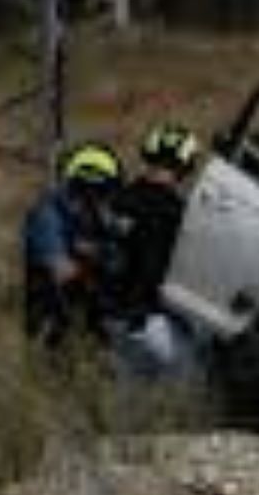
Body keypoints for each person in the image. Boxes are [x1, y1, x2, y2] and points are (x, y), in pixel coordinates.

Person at [105, 122, 203, 379]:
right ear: (186, 166)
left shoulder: (117, 199)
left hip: (110, 323)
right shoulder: (175, 212)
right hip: (150, 322)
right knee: (195, 387)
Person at [22, 142, 124, 350]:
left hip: (89, 321)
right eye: (103, 192)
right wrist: (101, 259)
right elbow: (61, 270)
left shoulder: (96, 216)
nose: (106, 200)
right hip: (53, 325)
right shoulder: (47, 215)